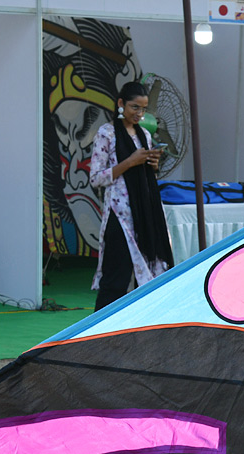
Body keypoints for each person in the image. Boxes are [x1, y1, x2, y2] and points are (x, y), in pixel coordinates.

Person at [89, 81, 174, 311]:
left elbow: (144, 175)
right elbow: (95, 178)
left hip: (144, 214)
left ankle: (134, 332)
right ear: (120, 104)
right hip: (120, 215)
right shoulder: (107, 133)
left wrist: (152, 164)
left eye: (144, 109)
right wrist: (129, 162)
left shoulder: (145, 134)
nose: (139, 114)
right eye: (134, 107)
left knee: (146, 278)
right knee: (115, 279)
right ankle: (99, 332)